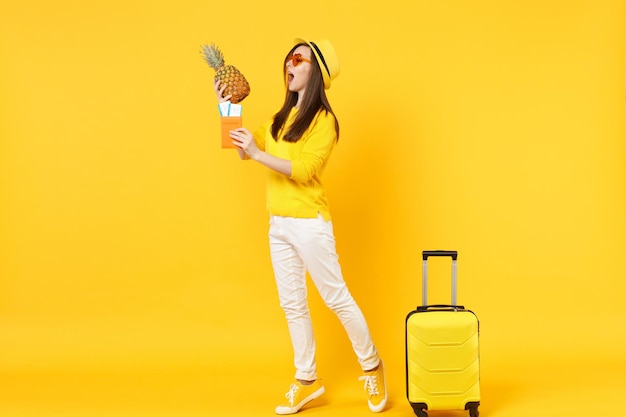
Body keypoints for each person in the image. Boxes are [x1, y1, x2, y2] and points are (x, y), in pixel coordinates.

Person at [213, 38, 387, 415]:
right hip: (279, 225)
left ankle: (372, 366)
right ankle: (307, 380)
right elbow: (239, 148)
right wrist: (226, 104)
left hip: (309, 223)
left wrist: (261, 154)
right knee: (293, 305)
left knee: (335, 297)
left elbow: (305, 171)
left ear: (316, 71)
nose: (289, 65)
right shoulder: (279, 120)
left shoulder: (324, 122)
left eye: (299, 58)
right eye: (288, 59)